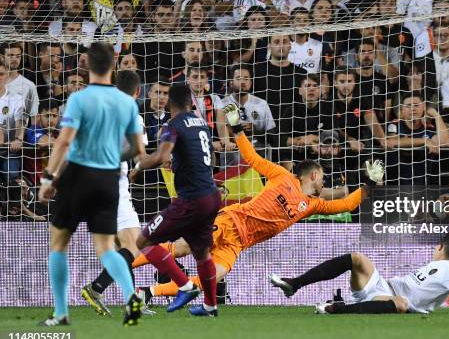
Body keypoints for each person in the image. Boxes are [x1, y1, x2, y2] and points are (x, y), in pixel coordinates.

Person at [131, 103, 385, 302]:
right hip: (230, 221)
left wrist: (368, 186)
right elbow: (252, 157)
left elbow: (346, 205)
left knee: (212, 278)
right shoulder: (282, 176)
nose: (324, 184)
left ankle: (148, 292)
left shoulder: (312, 205)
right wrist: (238, 129)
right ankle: (124, 263)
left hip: (239, 243)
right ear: (314, 175)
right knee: (182, 248)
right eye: (322, 179)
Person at [37, 42, 145, 326]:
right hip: (109, 180)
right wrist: (111, 157)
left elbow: (64, 140)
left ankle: (61, 313)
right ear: (113, 66)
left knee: (59, 245)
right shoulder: (126, 103)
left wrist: (49, 177)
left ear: (87, 67)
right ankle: (131, 297)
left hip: (78, 176)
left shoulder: (80, 99)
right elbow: (136, 149)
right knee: (107, 249)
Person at [129, 83, 222, 317]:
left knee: (143, 240)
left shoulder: (173, 125)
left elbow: (161, 157)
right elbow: (206, 157)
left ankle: (185, 285)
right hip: (211, 195)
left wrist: (137, 167)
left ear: (170, 103)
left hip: (191, 199)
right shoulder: (202, 123)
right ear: (191, 102)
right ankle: (210, 306)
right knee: (201, 253)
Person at [270, 233, 449, 314]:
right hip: (384, 286)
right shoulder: (439, 267)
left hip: (390, 300)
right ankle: (295, 283)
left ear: (440, 247)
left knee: (400, 305)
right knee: (357, 259)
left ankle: (337, 309)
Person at [79, 70, 152, 316]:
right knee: (133, 247)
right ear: (138, 92)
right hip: (113, 184)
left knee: (124, 244)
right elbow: (141, 156)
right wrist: (166, 155)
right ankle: (96, 288)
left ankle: (132, 303)